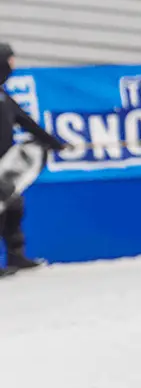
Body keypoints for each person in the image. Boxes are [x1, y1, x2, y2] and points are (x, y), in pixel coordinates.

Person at [0, 43, 62, 274]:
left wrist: (53, 142)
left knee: (13, 208)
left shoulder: (4, 96)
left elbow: (25, 121)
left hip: (6, 164)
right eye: (10, 61)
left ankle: (16, 256)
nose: (13, 66)